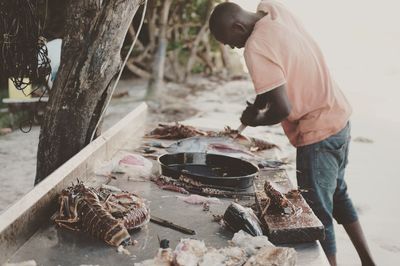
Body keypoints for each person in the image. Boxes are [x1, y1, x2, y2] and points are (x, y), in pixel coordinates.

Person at [209, 1, 375, 265]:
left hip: (317, 133)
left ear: (238, 27)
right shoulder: (273, 10)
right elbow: (284, 68)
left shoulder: (254, 47)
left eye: (229, 42)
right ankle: (368, 261)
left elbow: (282, 109)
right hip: (339, 117)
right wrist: (260, 104)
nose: (232, 48)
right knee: (339, 193)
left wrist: (258, 118)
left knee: (315, 214)